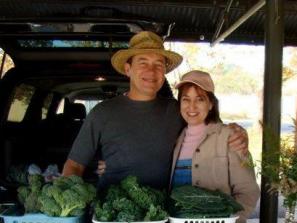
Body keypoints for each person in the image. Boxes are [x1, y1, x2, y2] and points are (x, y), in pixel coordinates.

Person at [62, 31, 248, 191]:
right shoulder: (102, 113)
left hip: (165, 215)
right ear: (128, 69)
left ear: (164, 72)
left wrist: (238, 133)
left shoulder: (178, 110)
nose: (151, 71)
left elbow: (213, 131)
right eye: (143, 62)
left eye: (158, 64)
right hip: (114, 221)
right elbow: (75, 165)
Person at [171, 70, 259, 223]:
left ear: (211, 104)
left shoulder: (229, 137)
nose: (192, 106)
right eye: (186, 99)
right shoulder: (176, 138)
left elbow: (248, 191)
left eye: (200, 99)